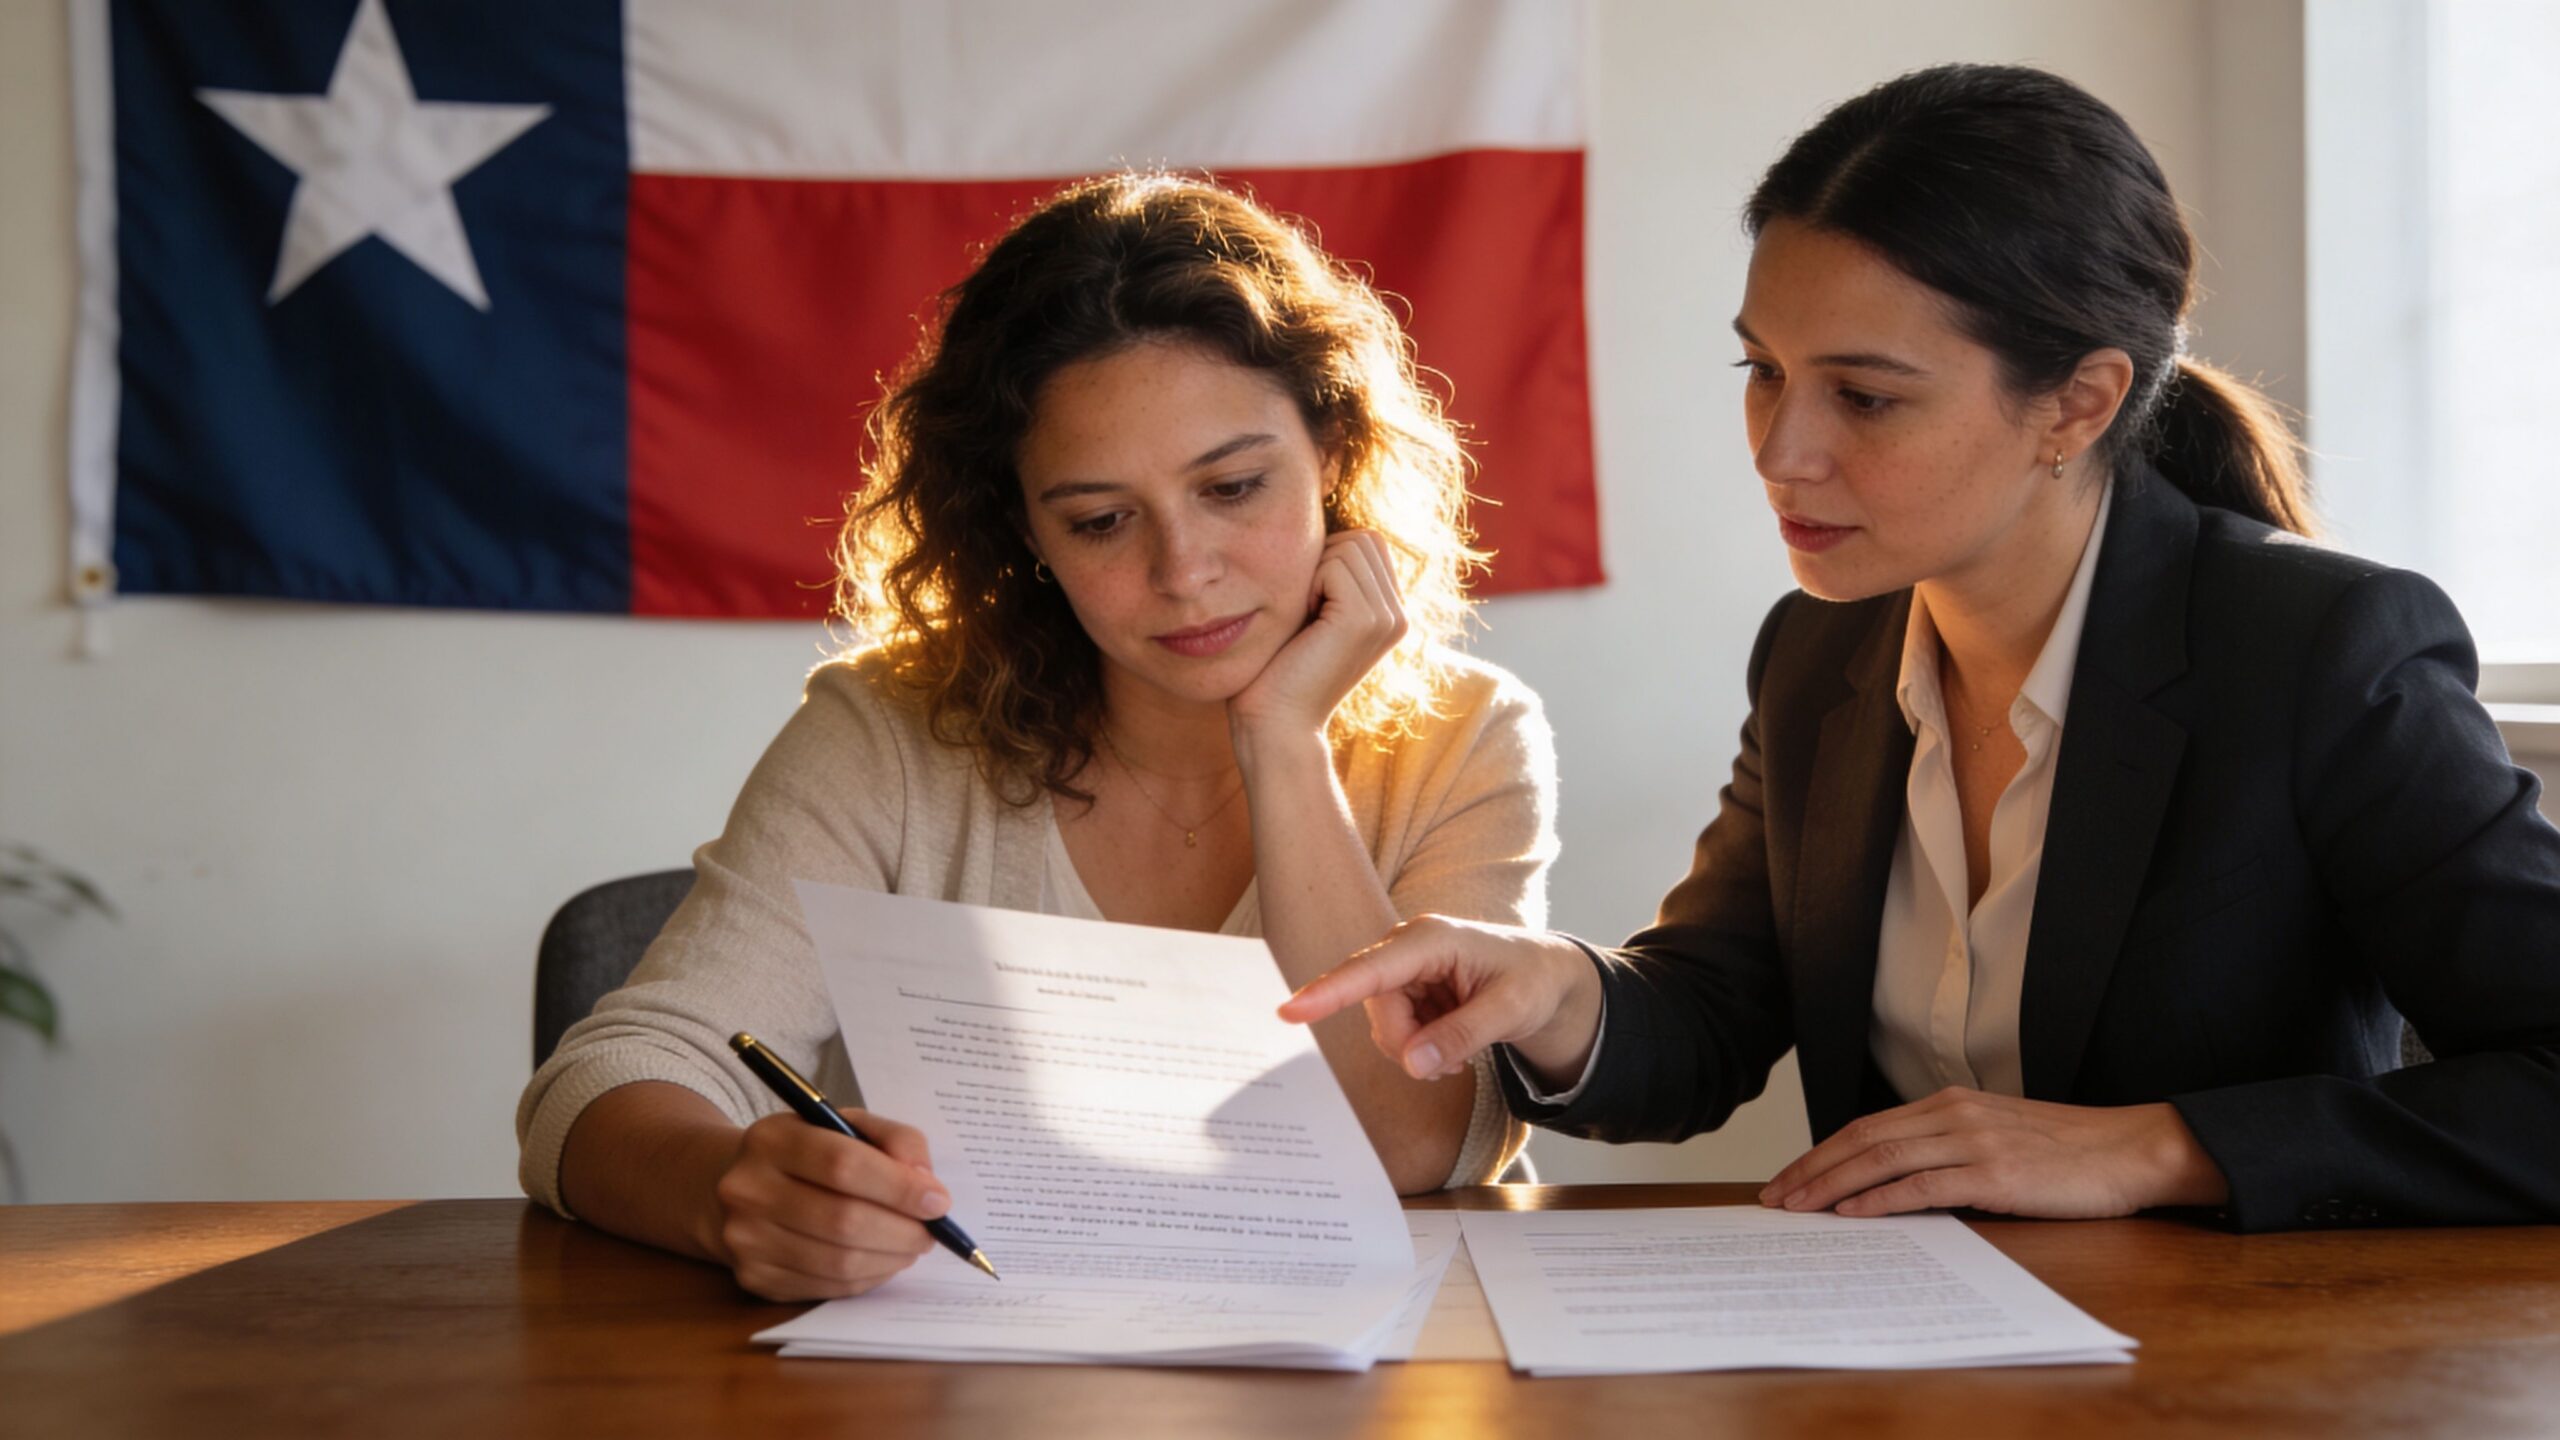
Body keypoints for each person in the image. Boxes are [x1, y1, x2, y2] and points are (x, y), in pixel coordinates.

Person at [1284, 64, 2560, 1232]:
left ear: (2077, 403)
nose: (1782, 450)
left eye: (1866, 396)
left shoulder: (2323, 649)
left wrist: (2158, 1149)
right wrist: (1554, 990)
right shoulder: (1819, 651)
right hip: (1911, 1370)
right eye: (1763, 370)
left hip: (2233, 1375)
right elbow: (1713, 1014)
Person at [518, 174, 1556, 1299]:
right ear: (1025, 534)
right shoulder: (889, 733)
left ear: (1334, 458)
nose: (1184, 571)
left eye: (1235, 487)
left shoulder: (1463, 735)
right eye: (1102, 521)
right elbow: (604, 1083)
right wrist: (733, 1193)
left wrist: (1281, 742)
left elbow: (1412, 1148)